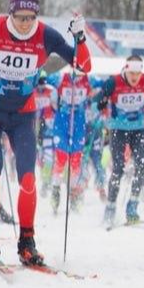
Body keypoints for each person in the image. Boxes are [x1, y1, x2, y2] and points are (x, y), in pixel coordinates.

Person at [0, 0, 92, 265]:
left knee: (28, 178)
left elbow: (83, 65)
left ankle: (27, 239)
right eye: (19, 17)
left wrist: (81, 39)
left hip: (24, 114)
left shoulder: (46, 35)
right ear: (10, 13)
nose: (25, 23)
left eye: (30, 17)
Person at [95, 55, 144, 226]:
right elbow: (100, 98)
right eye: (132, 73)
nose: (135, 77)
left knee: (141, 166)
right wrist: (101, 102)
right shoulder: (113, 82)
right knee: (119, 168)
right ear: (126, 70)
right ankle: (111, 206)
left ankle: (132, 206)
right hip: (118, 129)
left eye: (138, 73)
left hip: (139, 129)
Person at [50, 67, 92, 213]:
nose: (79, 74)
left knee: (75, 159)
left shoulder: (88, 80)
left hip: (79, 120)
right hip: (62, 119)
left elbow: (104, 85)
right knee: (61, 157)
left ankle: (74, 194)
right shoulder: (62, 77)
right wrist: (41, 78)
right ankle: (56, 189)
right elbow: (45, 76)